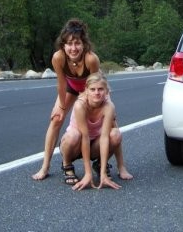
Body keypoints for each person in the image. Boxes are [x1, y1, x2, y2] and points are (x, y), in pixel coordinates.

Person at [32, 19, 132, 181]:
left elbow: (96, 84)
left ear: (84, 44)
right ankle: (45, 166)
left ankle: (121, 166)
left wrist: (97, 103)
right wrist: (62, 107)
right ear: (63, 45)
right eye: (69, 44)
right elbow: (62, 84)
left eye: (77, 43)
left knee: (112, 122)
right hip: (71, 88)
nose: (73, 48)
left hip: (92, 87)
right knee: (56, 119)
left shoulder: (91, 59)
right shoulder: (58, 58)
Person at [59, 72, 126, 190]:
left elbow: (105, 137)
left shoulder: (108, 106)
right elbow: (84, 137)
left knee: (115, 134)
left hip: (95, 145)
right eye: (93, 89)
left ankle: (100, 166)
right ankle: (67, 165)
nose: (96, 93)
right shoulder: (80, 105)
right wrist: (87, 174)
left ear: (106, 91)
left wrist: (104, 173)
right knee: (74, 135)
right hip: (75, 144)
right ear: (86, 90)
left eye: (100, 89)